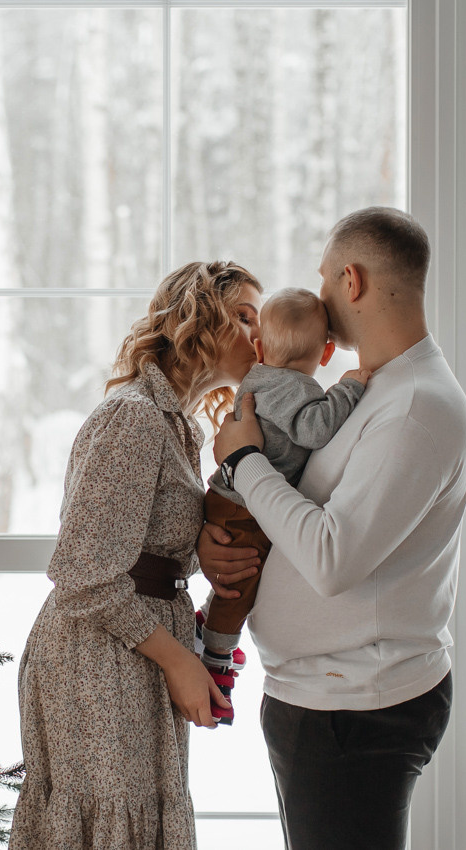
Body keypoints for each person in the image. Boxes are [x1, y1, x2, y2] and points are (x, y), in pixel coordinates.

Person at [201, 207, 466, 850]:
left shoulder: (413, 407)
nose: (318, 298)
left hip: (355, 710)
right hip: (328, 700)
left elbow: (330, 557)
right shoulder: (376, 391)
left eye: (323, 281)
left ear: (350, 281)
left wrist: (243, 462)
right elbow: (308, 505)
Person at [9, 261, 263, 850]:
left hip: (131, 648)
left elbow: (144, 547)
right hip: (96, 656)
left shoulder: (180, 426)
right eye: (245, 317)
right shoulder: (135, 417)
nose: (260, 334)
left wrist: (199, 548)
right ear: (198, 318)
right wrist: (179, 661)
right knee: (106, 825)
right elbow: (83, 574)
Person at [195, 287, 371, 725]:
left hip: (229, 496)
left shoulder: (259, 378)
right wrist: (347, 389)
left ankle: (208, 624)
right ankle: (216, 656)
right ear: (327, 352)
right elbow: (313, 429)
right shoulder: (296, 387)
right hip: (243, 505)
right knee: (241, 583)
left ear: (259, 347)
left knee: (233, 579)